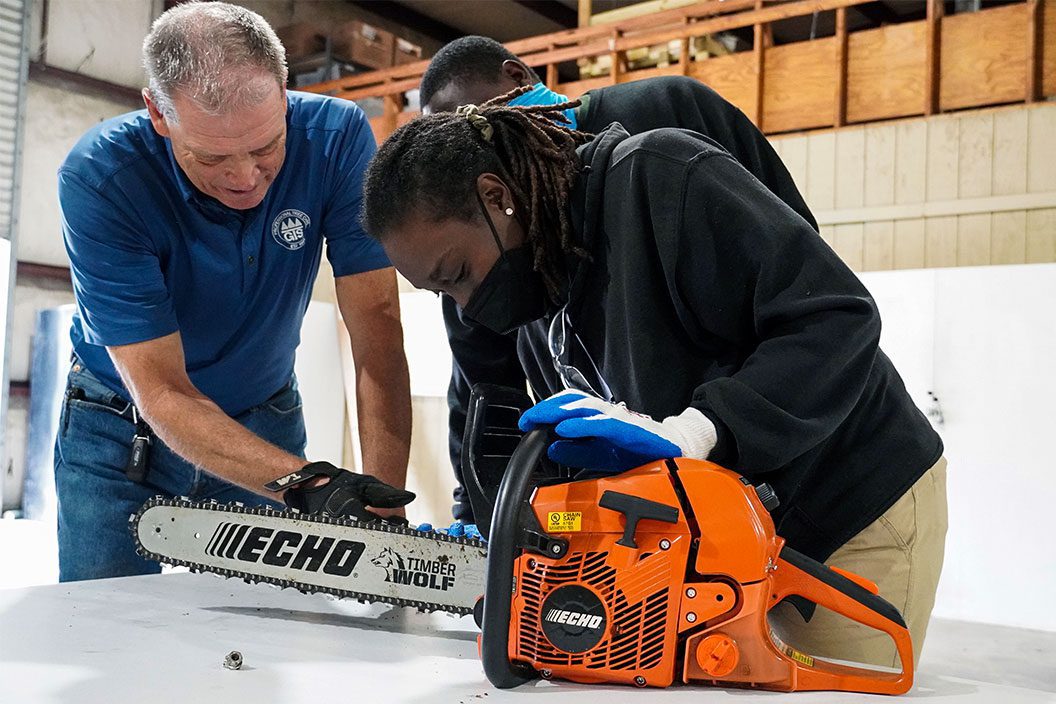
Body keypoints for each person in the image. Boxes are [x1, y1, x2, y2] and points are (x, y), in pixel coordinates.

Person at [361, 93, 947, 669]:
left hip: (845, 504)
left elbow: (835, 316)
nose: (466, 308)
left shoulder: (662, 180)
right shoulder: (539, 285)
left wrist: (701, 429)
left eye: (458, 273)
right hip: (730, 533)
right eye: (444, 293)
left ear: (497, 197)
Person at [55, 2, 413, 583]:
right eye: (213, 156)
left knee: (261, 646)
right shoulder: (102, 178)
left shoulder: (339, 139)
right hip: (122, 432)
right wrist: (306, 486)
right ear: (157, 113)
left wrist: (383, 504)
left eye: (268, 146)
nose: (246, 177)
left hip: (263, 417)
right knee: (104, 630)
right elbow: (164, 392)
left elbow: (377, 332)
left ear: (284, 89)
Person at [417, 36, 818, 527]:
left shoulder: (665, 115)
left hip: (767, 448)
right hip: (664, 501)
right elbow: (481, 383)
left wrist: (706, 423)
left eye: (479, 127)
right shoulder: (483, 231)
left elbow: (798, 265)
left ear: (517, 77)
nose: (479, 153)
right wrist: (482, 509)